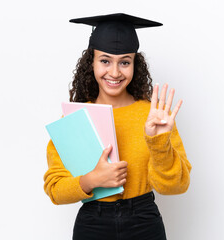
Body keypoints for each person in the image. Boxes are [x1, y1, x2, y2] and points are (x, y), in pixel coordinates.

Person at [43, 13, 192, 240]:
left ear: (135, 64)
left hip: (144, 221)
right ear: (90, 62)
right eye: (104, 60)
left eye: (124, 62)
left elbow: (176, 187)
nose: (114, 72)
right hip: (93, 224)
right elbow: (55, 189)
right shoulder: (75, 118)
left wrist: (159, 143)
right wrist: (92, 180)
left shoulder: (153, 115)